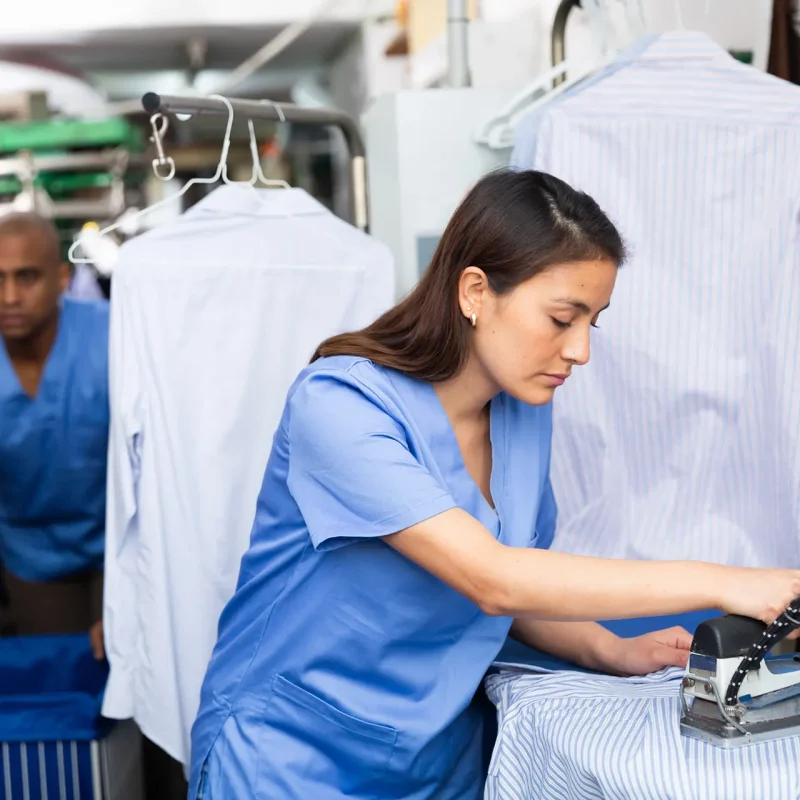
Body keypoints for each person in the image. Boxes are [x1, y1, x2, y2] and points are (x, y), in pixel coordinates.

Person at [187, 170, 800, 800]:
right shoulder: (340, 406)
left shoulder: (523, 410)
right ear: (475, 291)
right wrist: (729, 581)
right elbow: (494, 577)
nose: (581, 351)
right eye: (563, 318)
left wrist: (608, 650)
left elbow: (521, 592)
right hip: (292, 755)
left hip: (439, 758)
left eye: (594, 321)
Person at [0, 212, 108, 659]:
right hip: (29, 556)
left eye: (26, 277)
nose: (9, 297)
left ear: (63, 278)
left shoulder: (112, 335)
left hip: (120, 550)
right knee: (61, 681)